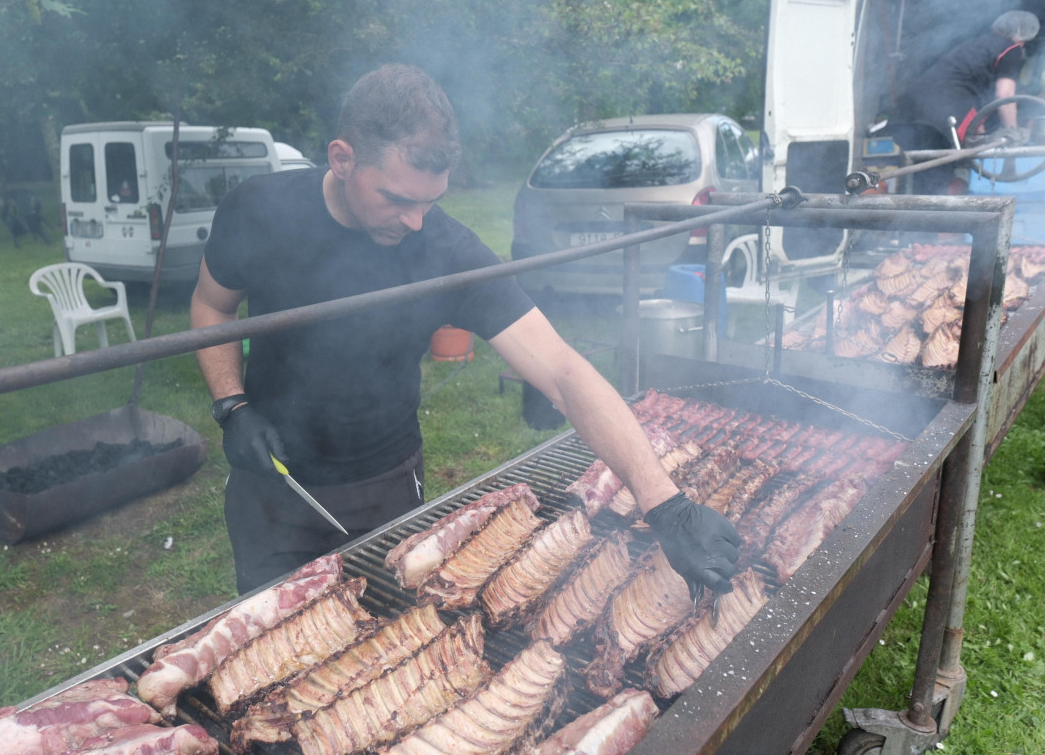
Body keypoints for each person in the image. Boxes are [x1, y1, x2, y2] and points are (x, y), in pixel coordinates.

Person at [189, 63, 740, 597]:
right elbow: (212, 306)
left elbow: (562, 370)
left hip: (386, 487)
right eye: (398, 199)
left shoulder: (446, 251)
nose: (415, 223)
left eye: (431, 202)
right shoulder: (257, 211)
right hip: (270, 488)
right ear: (342, 158)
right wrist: (231, 406)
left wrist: (663, 503)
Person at [893, 10, 1039, 194]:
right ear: (1022, 34)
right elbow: (1005, 96)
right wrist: (1013, 133)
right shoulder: (1011, 49)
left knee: (923, 169)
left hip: (910, 107)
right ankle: (946, 212)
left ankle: (914, 213)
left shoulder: (979, 44)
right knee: (962, 157)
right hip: (944, 106)